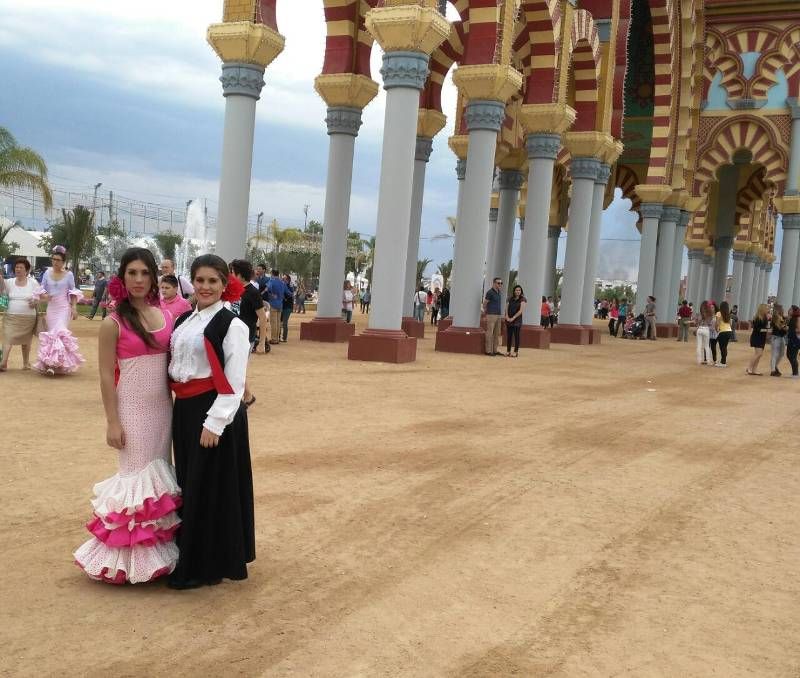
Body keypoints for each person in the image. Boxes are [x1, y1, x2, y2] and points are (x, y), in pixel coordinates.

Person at [73, 247, 180, 584]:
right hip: (130, 411)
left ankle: (157, 555)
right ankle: (126, 561)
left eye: (144, 273)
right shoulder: (112, 322)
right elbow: (106, 375)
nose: (138, 279)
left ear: (153, 277)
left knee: (159, 479)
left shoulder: (166, 314)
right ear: (122, 277)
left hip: (164, 410)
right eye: (131, 273)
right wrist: (112, 421)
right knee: (136, 482)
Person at [167, 254, 255, 589]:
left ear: (224, 284)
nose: (205, 287)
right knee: (190, 482)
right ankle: (194, 553)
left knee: (210, 486)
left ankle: (206, 564)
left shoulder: (233, 325)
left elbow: (235, 381)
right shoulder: (184, 321)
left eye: (212, 281)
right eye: (200, 280)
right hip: (185, 410)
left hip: (214, 412)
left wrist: (214, 422)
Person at [33, 245, 84, 375]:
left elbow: (73, 292)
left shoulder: (69, 275)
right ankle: (52, 363)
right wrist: (45, 296)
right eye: (53, 259)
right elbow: (41, 290)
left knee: (59, 333)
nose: (55, 262)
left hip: (63, 309)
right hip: (52, 309)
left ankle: (53, 365)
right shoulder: (46, 273)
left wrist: (74, 307)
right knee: (52, 335)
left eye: (58, 260)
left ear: (63, 262)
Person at [229, 259, 267, 407]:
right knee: (235, 368)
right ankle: (247, 395)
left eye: (232, 272)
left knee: (237, 368)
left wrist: (262, 342)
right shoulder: (232, 289)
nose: (230, 275)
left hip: (246, 338)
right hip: (232, 335)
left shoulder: (252, 292)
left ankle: (245, 397)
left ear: (240, 274)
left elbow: (263, 318)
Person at [1, 258, 41, 371]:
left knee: (26, 341)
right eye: (16, 267)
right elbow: (2, 295)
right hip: (11, 317)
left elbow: (40, 296)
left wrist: (35, 302)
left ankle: (26, 363)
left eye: (21, 267)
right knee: (8, 338)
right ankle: (3, 363)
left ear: (27, 270)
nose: (18, 269)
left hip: (28, 318)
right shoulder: (9, 282)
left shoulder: (33, 282)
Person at [746, 303, 769, 376]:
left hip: (762, 337)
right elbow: (758, 329)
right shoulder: (757, 318)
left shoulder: (765, 318)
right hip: (757, 337)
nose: (768, 310)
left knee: (760, 354)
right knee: (758, 353)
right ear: (763, 309)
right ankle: (749, 368)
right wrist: (767, 330)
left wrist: (767, 330)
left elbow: (765, 328)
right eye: (767, 308)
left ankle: (754, 369)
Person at [483, 277, 503, 356]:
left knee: (496, 333)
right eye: (498, 283)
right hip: (491, 314)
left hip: (498, 315)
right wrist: (485, 311)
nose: (500, 284)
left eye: (501, 283)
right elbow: (485, 303)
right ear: (494, 283)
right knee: (490, 333)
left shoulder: (499, 292)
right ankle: (488, 351)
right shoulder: (490, 292)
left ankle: (495, 350)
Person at [265, 269, 285, 345]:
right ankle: (277, 338)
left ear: (272, 274)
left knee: (273, 323)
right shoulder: (282, 282)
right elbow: (288, 292)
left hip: (273, 303)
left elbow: (268, 288)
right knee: (278, 322)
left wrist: (271, 293)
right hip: (280, 304)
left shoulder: (271, 281)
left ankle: (274, 339)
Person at [505, 285, 526, 357]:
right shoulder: (510, 298)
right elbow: (506, 308)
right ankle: (508, 351)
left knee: (516, 336)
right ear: (514, 291)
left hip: (517, 320)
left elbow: (521, 311)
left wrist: (513, 318)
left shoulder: (523, 299)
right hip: (509, 319)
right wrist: (507, 316)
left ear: (521, 291)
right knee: (509, 336)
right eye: (516, 290)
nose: (518, 291)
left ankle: (515, 351)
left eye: (519, 290)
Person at [769, 303, 787, 377]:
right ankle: (773, 370)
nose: (783, 309)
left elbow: (784, 327)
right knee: (775, 354)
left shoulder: (781, 317)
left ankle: (775, 366)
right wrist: (785, 326)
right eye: (781, 308)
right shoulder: (775, 317)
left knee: (782, 353)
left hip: (781, 337)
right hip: (776, 337)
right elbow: (781, 327)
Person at [714, 301, 733, 367]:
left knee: (722, 347)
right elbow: (730, 324)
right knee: (724, 347)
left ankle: (723, 362)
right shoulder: (728, 314)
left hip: (722, 331)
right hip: (729, 331)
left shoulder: (719, 313)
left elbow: (717, 323)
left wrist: (716, 330)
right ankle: (723, 361)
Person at [695, 300, 713, 365]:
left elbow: (696, 322)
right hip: (706, 329)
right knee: (706, 346)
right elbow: (710, 323)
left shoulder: (699, 314)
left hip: (699, 329)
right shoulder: (710, 314)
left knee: (699, 346)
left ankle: (699, 360)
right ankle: (708, 361)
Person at [786, 306, 800, 378]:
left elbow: (799, 329)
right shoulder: (791, 318)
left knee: (793, 356)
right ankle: (795, 372)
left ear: (794, 311)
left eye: (790, 309)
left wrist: (792, 330)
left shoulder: (798, 318)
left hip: (795, 339)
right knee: (788, 355)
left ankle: (795, 373)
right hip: (791, 339)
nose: (789, 310)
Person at [280, 273, 293, 342]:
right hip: (281, 306)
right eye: (282, 278)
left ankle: (284, 338)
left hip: (287, 307)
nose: (282, 280)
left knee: (284, 323)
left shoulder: (290, 287)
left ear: (288, 280)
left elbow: (290, 295)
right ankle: (278, 337)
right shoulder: (281, 286)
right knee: (279, 322)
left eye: (284, 279)